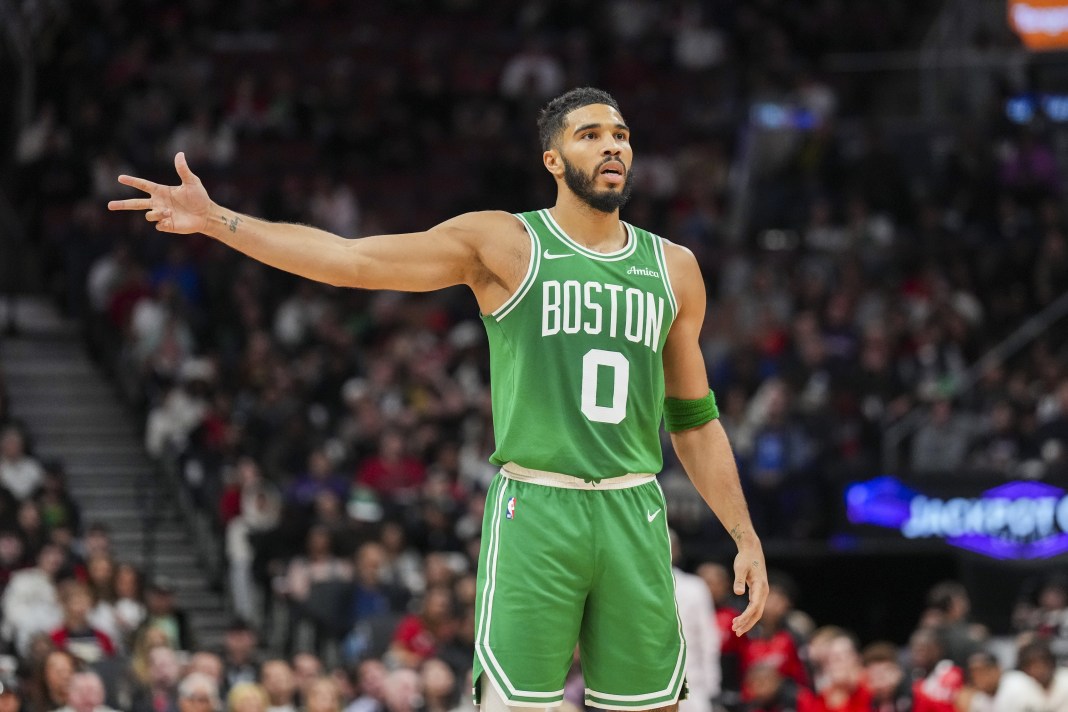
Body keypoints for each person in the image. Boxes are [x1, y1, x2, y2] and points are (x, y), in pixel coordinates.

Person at [108, 86, 769, 711]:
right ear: (552, 157)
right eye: (590, 134)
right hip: (538, 506)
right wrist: (219, 221)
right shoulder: (506, 242)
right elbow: (351, 260)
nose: (612, 147)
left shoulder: (673, 268)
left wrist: (742, 533)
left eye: (621, 135)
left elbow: (693, 419)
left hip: (634, 506)